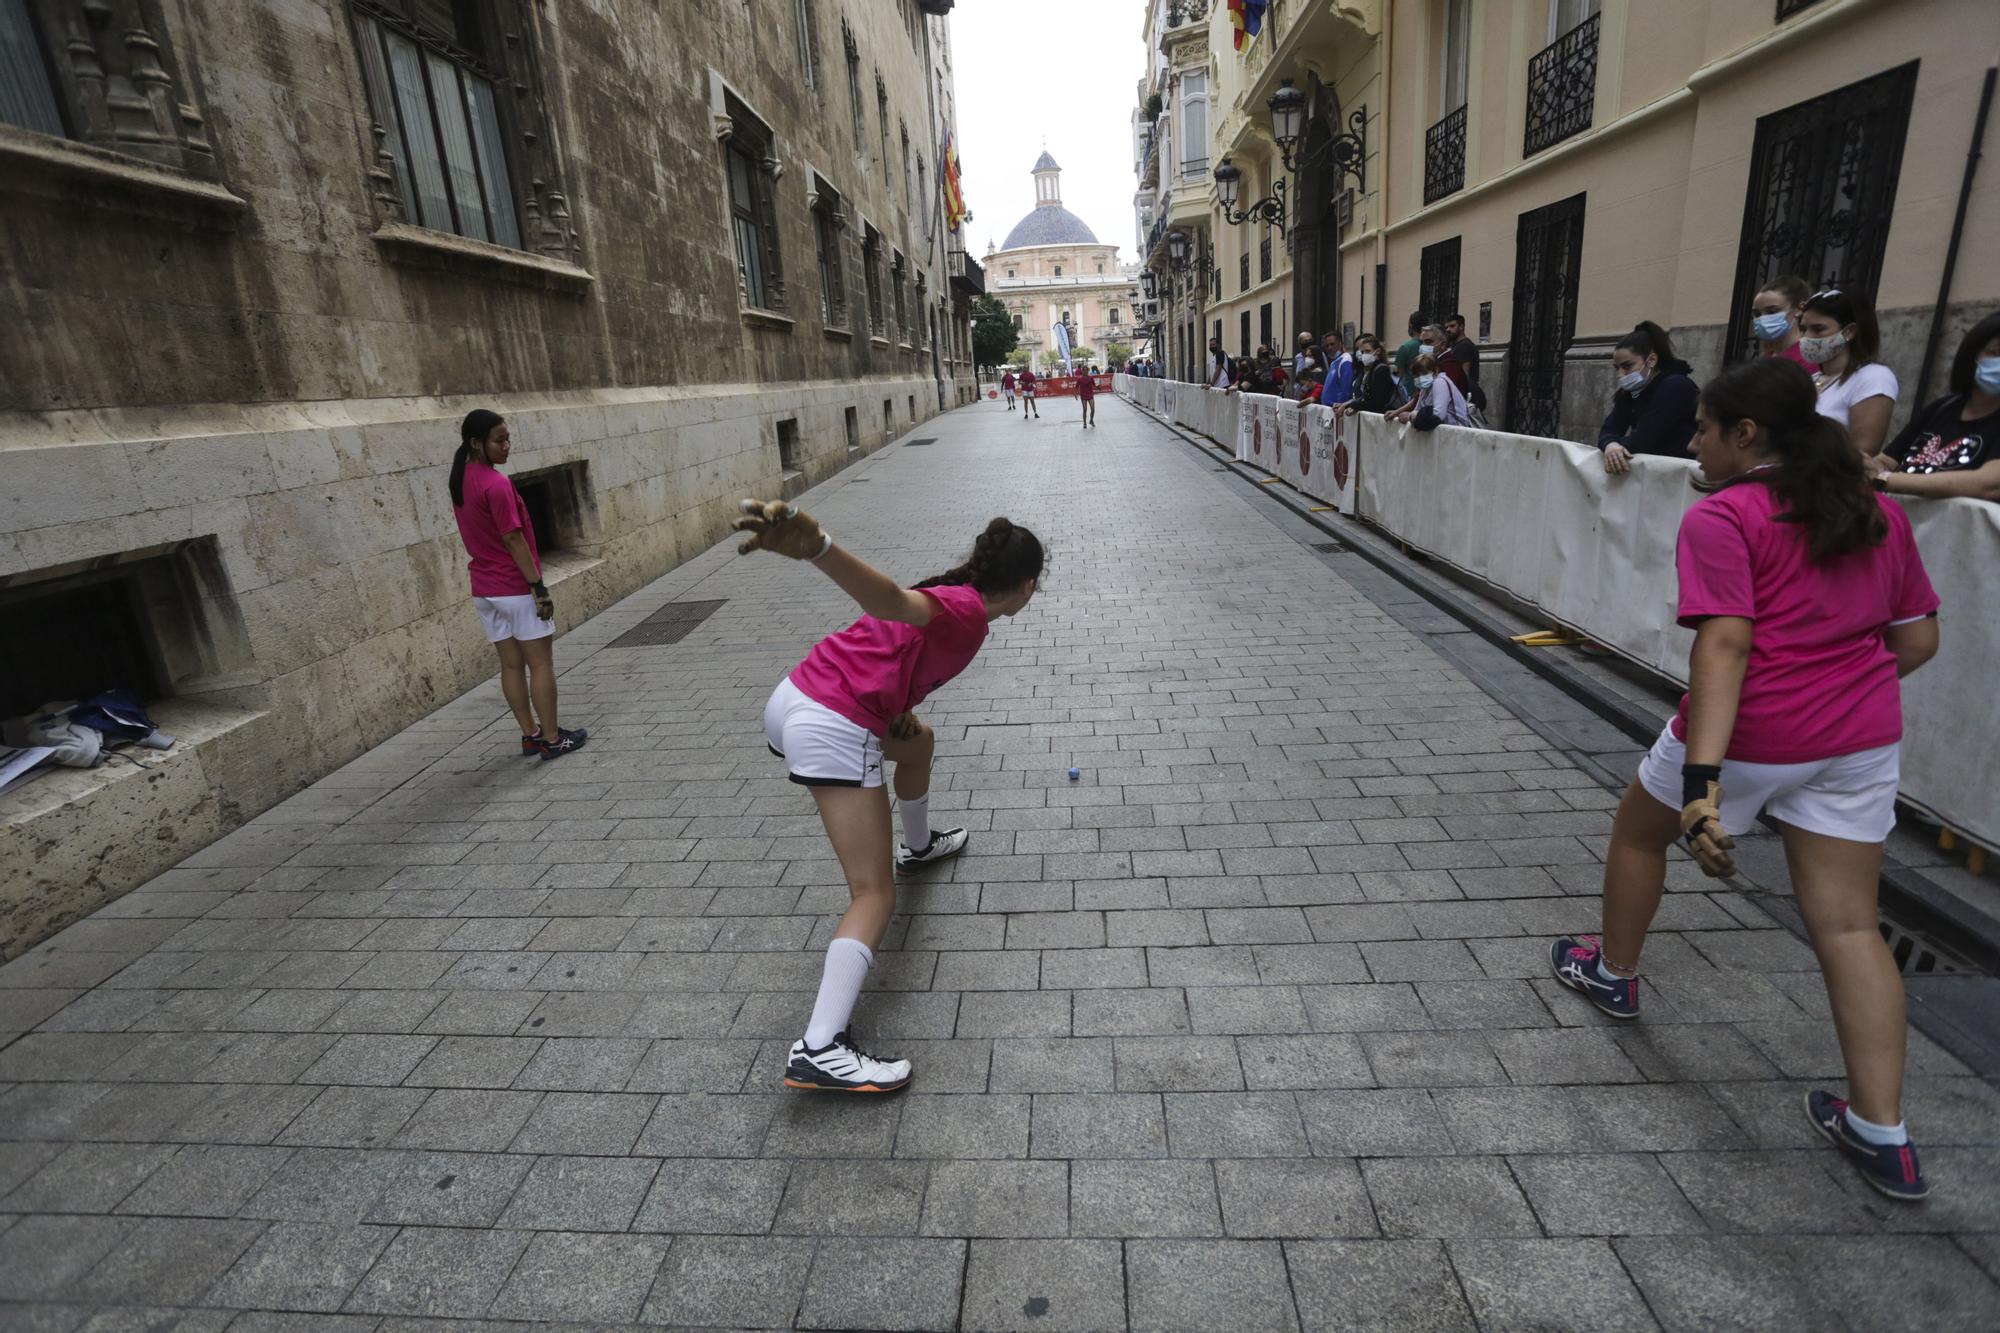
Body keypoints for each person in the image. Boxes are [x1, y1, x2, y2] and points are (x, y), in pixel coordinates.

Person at [1550, 357, 1940, 1201]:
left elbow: (1723, 647)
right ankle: (1883, 1131)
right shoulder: (1871, 507)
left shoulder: (1726, 516)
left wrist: (1704, 782)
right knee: (1847, 926)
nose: (1693, 440)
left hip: (1753, 729)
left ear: (1746, 435)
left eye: (1703, 428)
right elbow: (1916, 643)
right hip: (1860, 740)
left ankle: (1613, 972)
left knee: (1636, 831)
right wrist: (1841, 686)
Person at [733, 503, 1045, 1092]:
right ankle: (821, 1046)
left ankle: (920, 845)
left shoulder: (957, 594)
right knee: (874, 894)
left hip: (797, 695)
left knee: (918, 742)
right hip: (831, 720)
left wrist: (898, 708)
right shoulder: (963, 608)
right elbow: (890, 604)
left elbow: (896, 646)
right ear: (1028, 586)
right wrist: (820, 547)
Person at [448, 409, 587, 760]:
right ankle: (553, 740)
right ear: (476, 443)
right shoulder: (496, 484)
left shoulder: (462, 479)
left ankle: (531, 735)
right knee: (541, 664)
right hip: (513, 588)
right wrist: (538, 587)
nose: (507, 446)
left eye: (508, 438)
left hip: (485, 590)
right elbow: (513, 538)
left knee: (510, 665)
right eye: (499, 440)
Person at [1868, 312, 2000, 502]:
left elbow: (1988, 484)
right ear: (1972, 354)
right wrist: (1869, 467)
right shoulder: (1942, 408)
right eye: (1995, 353)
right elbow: (1887, 460)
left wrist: (1885, 480)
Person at [1801, 288, 1896, 455]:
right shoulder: (1812, 379)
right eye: (1803, 329)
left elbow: (1863, 451)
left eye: (1818, 329)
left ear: (1849, 332)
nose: (1807, 337)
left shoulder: (1874, 377)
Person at [1597, 321, 1700, 473]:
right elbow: (1609, 429)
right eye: (1617, 368)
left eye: (1627, 366)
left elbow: (1642, 440)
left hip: (1679, 477)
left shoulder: (1676, 386)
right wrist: (1610, 444)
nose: (1621, 375)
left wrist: (1615, 446)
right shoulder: (1630, 393)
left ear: (1651, 360)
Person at [1387, 352, 1472, 429]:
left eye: (1424, 373)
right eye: (1417, 375)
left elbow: (1438, 416)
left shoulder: (1440, 382)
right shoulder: (1425, 388)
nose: (1420, 378)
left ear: (1435, 371)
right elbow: (1418, 408)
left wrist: (1410, 416)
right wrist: (1399, 413)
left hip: (1456, 431)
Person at [1751, 274, 1817, 371]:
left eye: (1772, 311)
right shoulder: (1767, 357)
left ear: (1800, 309)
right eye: (1757, 314)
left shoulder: (1808, 359)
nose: (1762, 318)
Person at [1342, 334, 1401, 414]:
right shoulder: (1369, 370)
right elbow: (1366, 397)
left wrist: (1355, 405)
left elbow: (1377, 402)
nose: (1364, 355)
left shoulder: (1381, 370)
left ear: (1378, 351)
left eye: (1367, 351)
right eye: (1362, 352)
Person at [1444, 313, 1484, 409]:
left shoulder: (1464, 346)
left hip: (1464, 395)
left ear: (1461, 327)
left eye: (1452, 326)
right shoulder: (1457, 345)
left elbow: (1464, 374)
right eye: (1447, 327)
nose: (1448, 330)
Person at [1316, 331, 1354, 407]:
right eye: (1327, 345)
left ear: (1340, 344)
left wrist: (1340, 405)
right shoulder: (1334, 362)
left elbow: (1346, 389)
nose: (1329, 348)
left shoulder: (1345, 360)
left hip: (1337, 410)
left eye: (1332, 344)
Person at [1395, 311, 1426, 401]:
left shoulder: (1405, 347)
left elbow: (1400, 374)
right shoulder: (1432, 346)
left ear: (1411, 326)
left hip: (1409, 393)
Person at [1076, 363, 1097, 429]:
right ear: (1082, 371)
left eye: (1086, 370)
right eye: (1084, 370)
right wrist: (1076, 395)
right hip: (1083, 395)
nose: (1085, 371)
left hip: (1090, 395)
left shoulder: (1091, 378)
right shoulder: (1079, 379)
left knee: (1093, 409)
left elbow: (1094, 385)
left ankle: (1091, 420)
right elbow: (1076, 387)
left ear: (1088, 371)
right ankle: (1084, 423)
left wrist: (1098, 387)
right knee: (1085, 409)